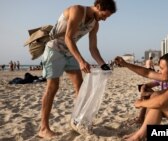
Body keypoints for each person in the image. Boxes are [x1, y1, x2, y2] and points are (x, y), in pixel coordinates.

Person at [38, 0, 117, 139]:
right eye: (105, 15)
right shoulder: (77, 10)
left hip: (70, 53)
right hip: (54, 50)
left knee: (80, 88)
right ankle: (43, 128)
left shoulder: (95, 24)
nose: (105, 19)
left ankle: (78, 121)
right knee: (52, 87)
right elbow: (68, 38)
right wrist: (81, 61)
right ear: (98, 7)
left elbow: (93, 48)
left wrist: (104, 65)